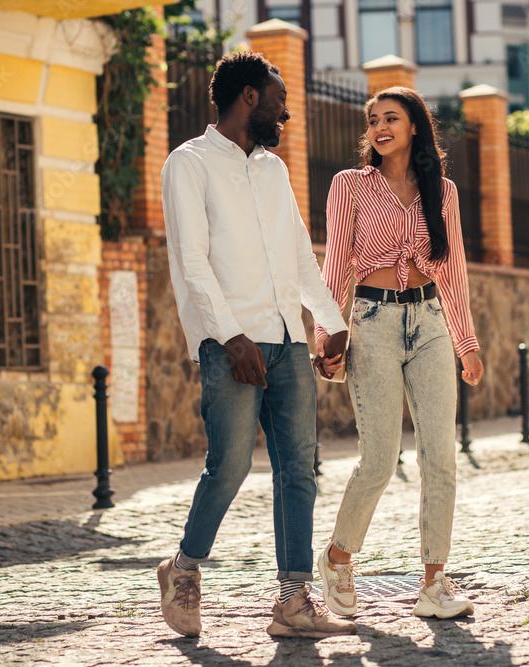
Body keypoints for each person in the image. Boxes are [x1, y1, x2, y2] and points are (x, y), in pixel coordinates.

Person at [158, 51, 357, 639]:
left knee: (299, 469)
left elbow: (297, 251)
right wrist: (230, 334)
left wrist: (328, 319)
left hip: (288, 341)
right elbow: (193, 260)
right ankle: (184, 568)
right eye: (278, 100)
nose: (286, 113)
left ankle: (293, 601)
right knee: (230, 466)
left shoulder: (274, 170)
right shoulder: (188, 164)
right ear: (248, 97)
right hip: (231, 344)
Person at [312, 86, 485, 620]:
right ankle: (338, 559)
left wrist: (467, 343)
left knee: (441, 457)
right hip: (373, 323)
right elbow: (337, 264)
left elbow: (452, 270)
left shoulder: (444, 192)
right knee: (380, 460)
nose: (379, 127)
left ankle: (434, 582)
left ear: (415, 126)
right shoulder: (350, 186)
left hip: (431, 321)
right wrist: (326, 335)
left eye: (391, 117)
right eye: (372, 120)